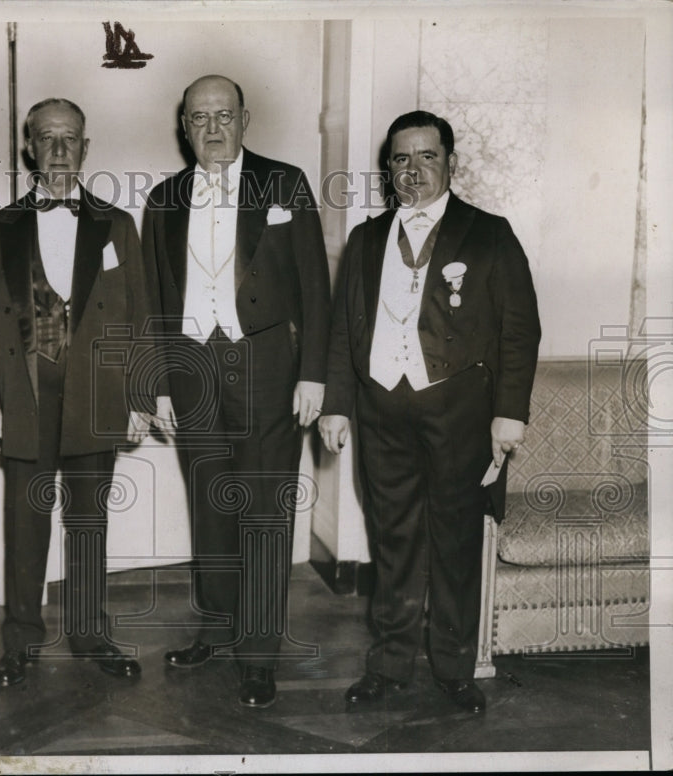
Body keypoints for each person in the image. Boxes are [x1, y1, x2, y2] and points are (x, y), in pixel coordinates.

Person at [318, 110, 541, 713]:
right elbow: (344, 330)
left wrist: (509, 413)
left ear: (450, 162)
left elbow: (519, 331)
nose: (413, 170)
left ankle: (453, 670)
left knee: (455, 542)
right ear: (388, 169)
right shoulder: (367, 238)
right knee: (392, 542)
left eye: (426, 156)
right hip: (381, 411)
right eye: (400, 159)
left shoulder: (489, 233)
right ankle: (388, 666)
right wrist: (337, 405)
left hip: (461, 414)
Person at [140, 75, 330, 708]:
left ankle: (258, 654)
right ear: (184, 126)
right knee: (212, 507)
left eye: (224, 114)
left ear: (245, 119)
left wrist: (315, 374)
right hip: (192, 370)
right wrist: (161, 384)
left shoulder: (285, 184)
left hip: (269, 366)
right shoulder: (163, 200)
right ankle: (217, 629)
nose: (213, 127)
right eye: (200, 117)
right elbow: (157, 300)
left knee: (265, 513)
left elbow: (315, 287)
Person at [0, 98, 151, 687]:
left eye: (72, 139)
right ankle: (21, 641)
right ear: (30, 149)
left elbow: (139, 314)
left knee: (90, 522)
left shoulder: (117, 225)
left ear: (87, 149)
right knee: (26, 521)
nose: (61, 150)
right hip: (25, 397)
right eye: (48, 138)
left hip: (98, 397)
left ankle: (90, 633)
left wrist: (141, 396)